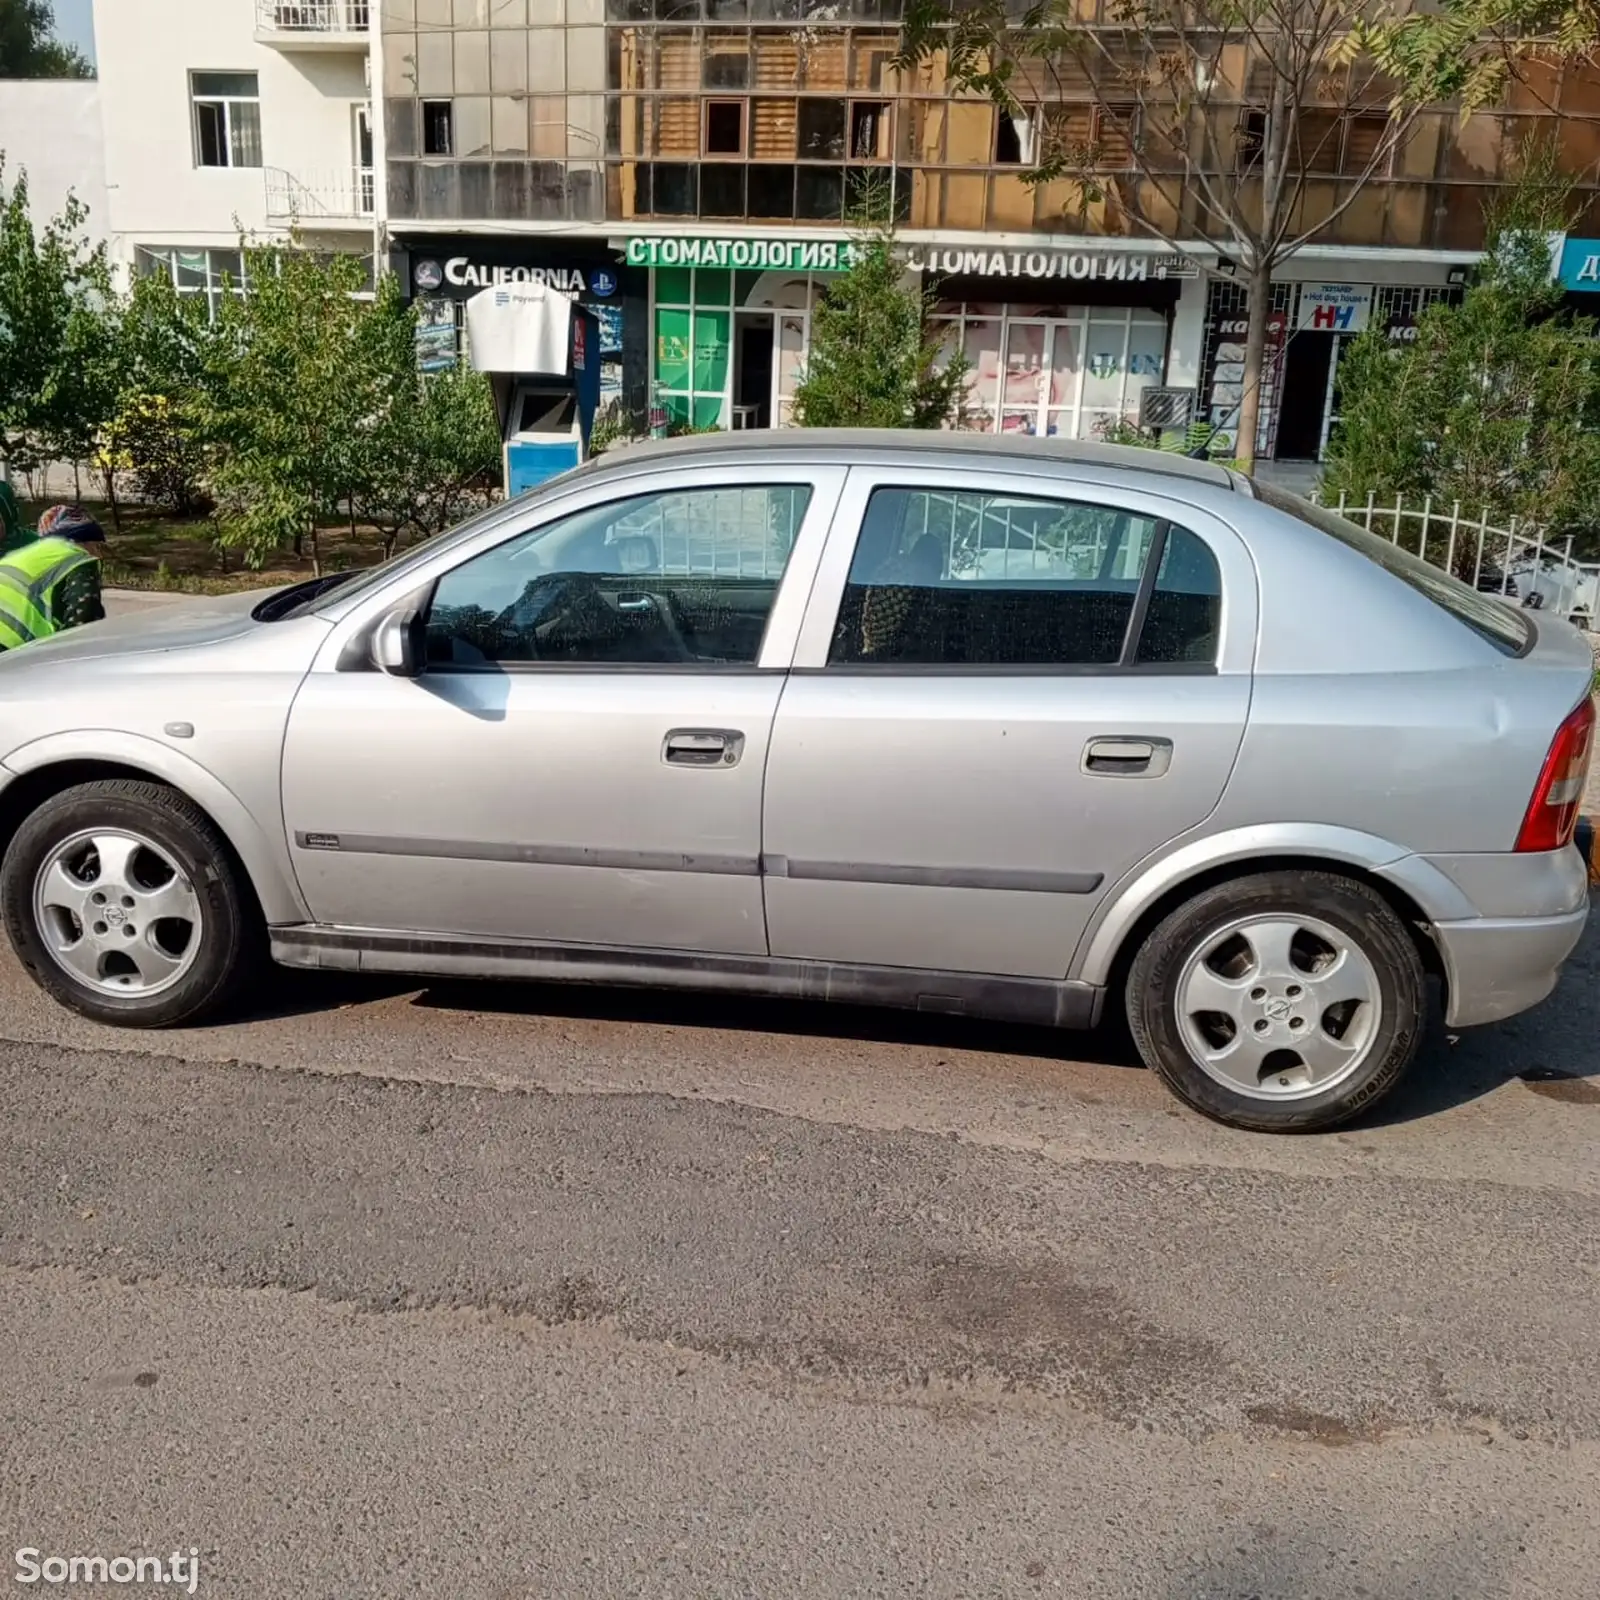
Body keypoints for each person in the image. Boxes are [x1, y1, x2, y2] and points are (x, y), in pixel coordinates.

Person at [0, 504, 107, 652]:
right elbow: (82, 627)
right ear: (85, 540)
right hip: (9, 655)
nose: (99, 555)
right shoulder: (75, 560)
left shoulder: (18, 558)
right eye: (98, 546)